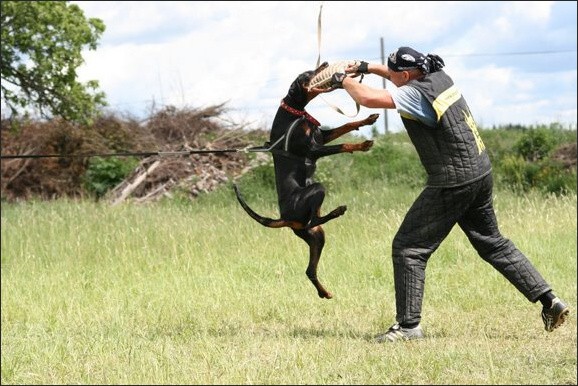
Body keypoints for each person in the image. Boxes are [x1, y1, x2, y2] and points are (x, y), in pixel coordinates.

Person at [323, 46, 570, 342]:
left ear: (405, 75)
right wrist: (364, 66)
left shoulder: (413, 95)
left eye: (393, 74)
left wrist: (341, 80)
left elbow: (367, 98)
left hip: (454, 180)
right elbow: (395, 75)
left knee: (409, 248)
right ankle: (550, 302)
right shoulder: (438, 76)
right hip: (480, 170)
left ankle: (408, 327)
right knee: (493, 243)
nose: (390, 76)